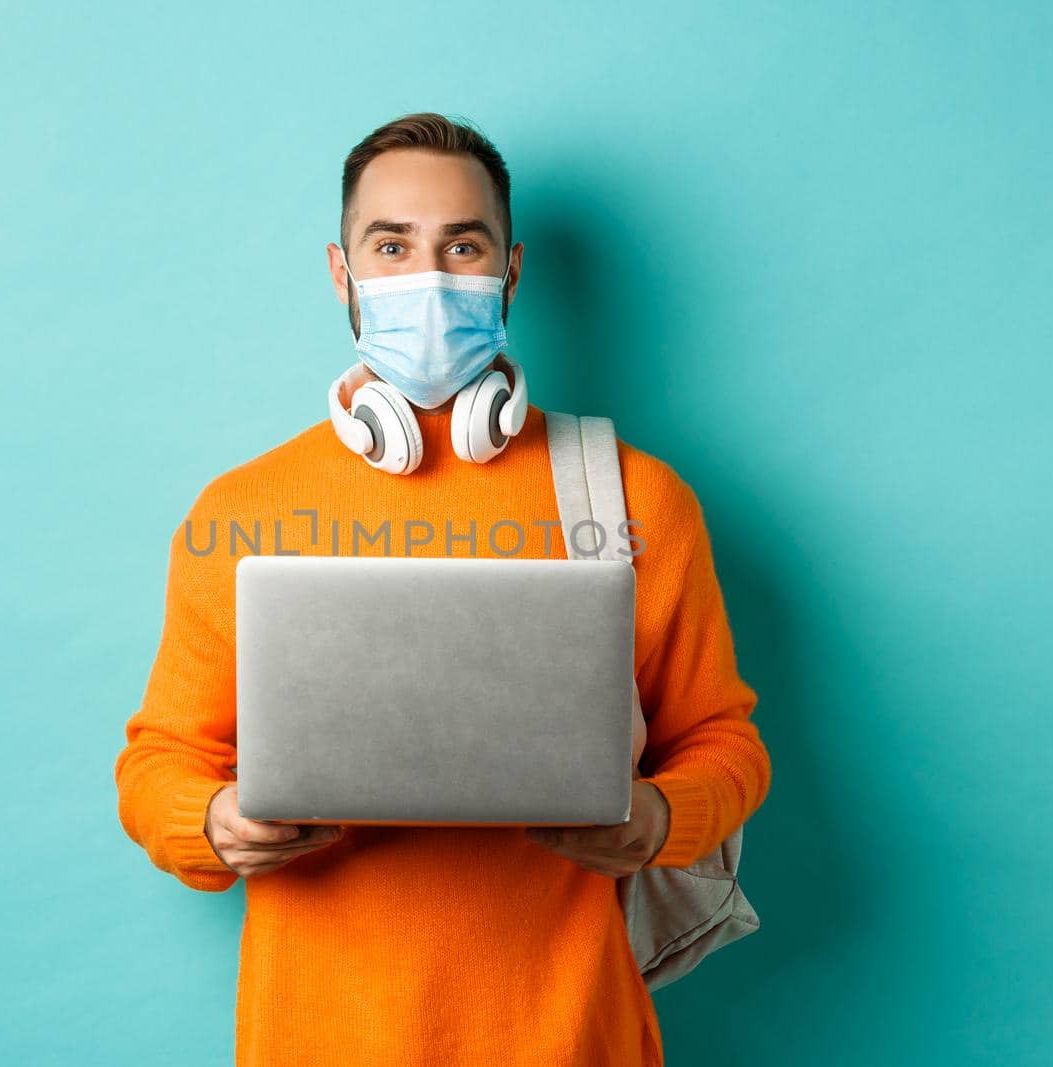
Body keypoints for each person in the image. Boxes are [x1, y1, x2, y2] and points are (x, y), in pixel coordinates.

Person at [113, 111, 771, 1066]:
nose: (428, 276)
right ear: (342, 273)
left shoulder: (636, 497)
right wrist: (212, 823)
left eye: (462, 245)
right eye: (392, 245)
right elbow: (158, 759)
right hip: (315, 1039)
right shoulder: (243, 507)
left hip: (574, 1037)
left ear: (510, 270)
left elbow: (725, 741)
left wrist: (662, 818)